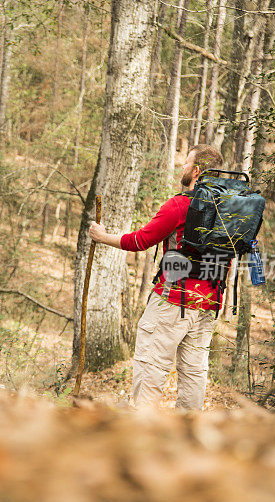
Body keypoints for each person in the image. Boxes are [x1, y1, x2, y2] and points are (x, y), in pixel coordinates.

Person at [88, 144, 225, 410]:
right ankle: (189, 434)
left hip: (173, 302)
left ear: (196, 171)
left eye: (186, 163)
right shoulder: (228, 211)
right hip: (208, 304)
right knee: (194, 374)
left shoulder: (179, 205)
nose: (182, 167)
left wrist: (102, 237)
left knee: (151, 366)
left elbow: (141, 240)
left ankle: (144, 429)